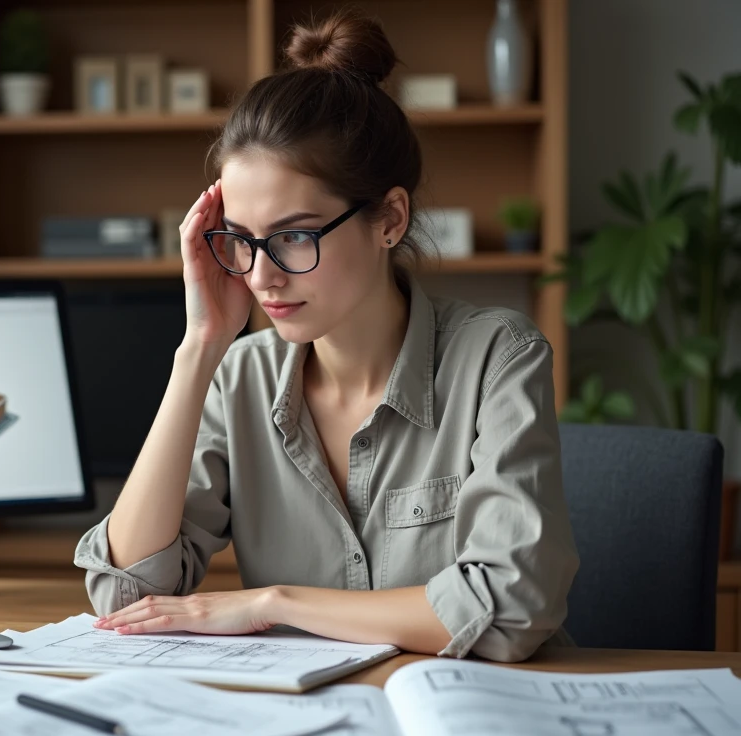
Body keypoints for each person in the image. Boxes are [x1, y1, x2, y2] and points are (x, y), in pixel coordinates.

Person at [73, 9, 579, 662]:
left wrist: (275, 604)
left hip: (471, 710)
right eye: (242, 241)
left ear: (389, 219)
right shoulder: (240, 377)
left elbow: (511, 605)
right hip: (306, 716)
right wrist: (199, 346)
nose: (262, 275)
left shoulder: (496, 358)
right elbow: (125, 592)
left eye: (293, 236)